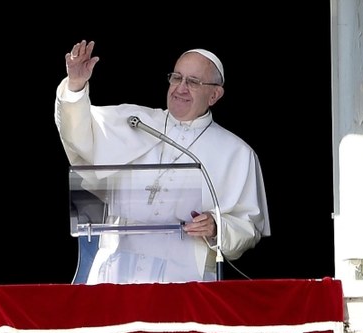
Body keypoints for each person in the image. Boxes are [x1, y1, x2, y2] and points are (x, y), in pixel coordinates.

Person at [54, 40, 270, 284]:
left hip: (184, 279)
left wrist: (217, 227)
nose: (181, 88)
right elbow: (80, 137)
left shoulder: (237, 153)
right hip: (116, 273)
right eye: (176, 78)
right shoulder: (135, 122)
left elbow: (249, 226)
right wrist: (75, 84)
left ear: (214, 94)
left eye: (193, 82)